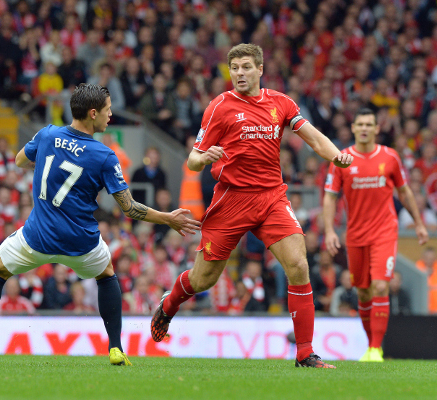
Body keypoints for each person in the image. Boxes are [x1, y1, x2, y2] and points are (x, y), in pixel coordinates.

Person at [0, 83, 200, 366]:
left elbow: (19, 161)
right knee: (107, 275)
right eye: (107, 110)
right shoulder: (104, 155)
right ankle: (115, 348)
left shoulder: (47, 134)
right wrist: (167, 218)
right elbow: (130, 209)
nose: (110, 114)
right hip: (82, 243)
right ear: (92, 113)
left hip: (37, 237)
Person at [149, 43, 353, 368]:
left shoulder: (281, 103)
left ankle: (305, 354)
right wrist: (203, 157)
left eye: (246, 67)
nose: (240, 73)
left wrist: (337, 156)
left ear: (260, 69)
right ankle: (169, 304)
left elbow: (313, 137)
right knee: (203, 280)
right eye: (235, 68)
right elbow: (192, 159)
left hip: (272, 197)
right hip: (231, 199)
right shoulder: (220, 106)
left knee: (299, 265)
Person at [323, 108, 428, 362]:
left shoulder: (390, 157)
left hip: (384, 231)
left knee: (380, 285)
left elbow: (404, 192)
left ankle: (375, 349)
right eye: (360, 124)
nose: (365, 129)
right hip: (356, 235)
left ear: (376, 128)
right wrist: (328, 231)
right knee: (363, 292)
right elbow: (330, 196)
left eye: (369, 124)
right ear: (354, 128)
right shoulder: (342, 159)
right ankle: (372, 345)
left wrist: (419, 223)